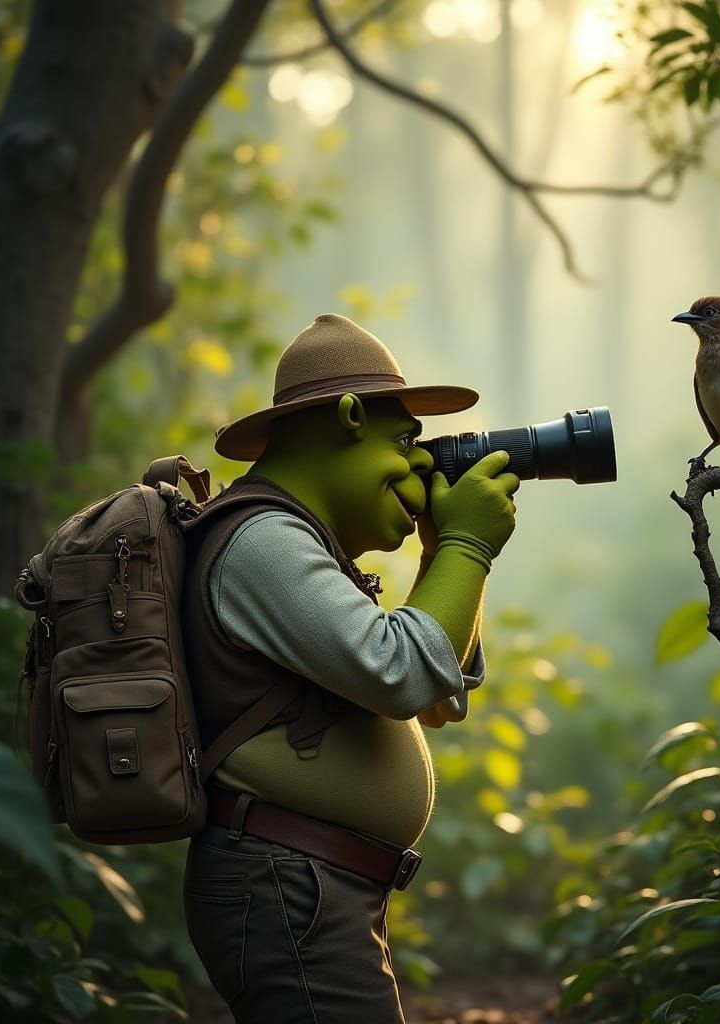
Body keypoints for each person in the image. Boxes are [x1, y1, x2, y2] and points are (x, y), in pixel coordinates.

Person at [181, 313, 520, 1023]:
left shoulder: (297, 543)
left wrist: (443, 554)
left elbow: (439, 695)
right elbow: (407, 674)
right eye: (403, 442)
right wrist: (467, 544)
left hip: (309, 883)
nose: (421, 465)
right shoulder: (261, 541)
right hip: (285, 883)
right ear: (346, 419)